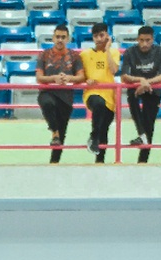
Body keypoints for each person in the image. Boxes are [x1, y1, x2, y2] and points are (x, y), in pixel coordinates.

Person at [35, 24, 84, 164]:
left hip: (66, 98)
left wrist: (69, 78)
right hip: (47, 92)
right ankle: (54, 132)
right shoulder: (44, 55)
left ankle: (54, 163)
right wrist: (54, 79)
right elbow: (39, 78)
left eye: (63, 37)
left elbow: (81, 77)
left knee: (62, 136)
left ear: (68, 39)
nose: (60, 40)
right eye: (57, 37)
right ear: (53, 38)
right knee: (47, 104)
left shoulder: (75, 56)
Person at [118, 25, 161, 162]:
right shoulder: (130, 52)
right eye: (141, 40)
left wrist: (146, 83)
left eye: (148, 40)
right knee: (131, 97)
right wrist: (140, 80)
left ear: (152, 39)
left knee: (149, 124)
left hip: (153, 90)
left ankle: (142, 161)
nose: (144, 44)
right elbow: (124, 76)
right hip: (136, 89)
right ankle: (141, 135)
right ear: (137, 39)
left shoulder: (159, 51)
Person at [79, 24, 118, 164]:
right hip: (92, 93)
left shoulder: (113, 52)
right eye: (96, 36)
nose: (99, 39)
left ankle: (99, 161)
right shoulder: (84, 55)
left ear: (107, 36)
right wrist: (86, 80)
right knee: (98, 103)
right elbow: (80, 75)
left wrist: (107, 50)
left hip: (109, 96)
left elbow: (114, 70)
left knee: (104, 130)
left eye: (102, 35)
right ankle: (93, 136)